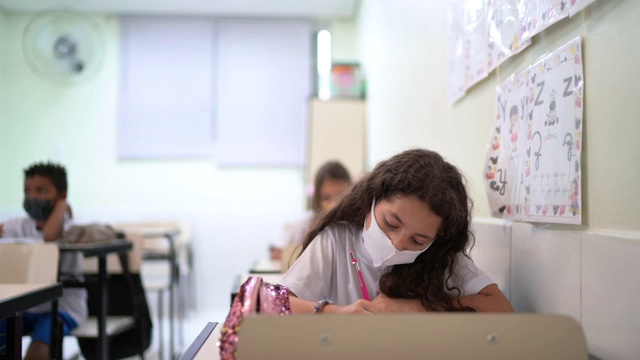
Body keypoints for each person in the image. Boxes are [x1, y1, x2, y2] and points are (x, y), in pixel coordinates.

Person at [278, 149, 514, 314]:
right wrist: (338, 313)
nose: (398, 244)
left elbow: (500, 308)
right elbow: (273, 303)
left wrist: (418, 308)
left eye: (417, 240)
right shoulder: (337, 240)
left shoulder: (439, 256)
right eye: (391, 223)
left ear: (436, 239)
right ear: (372, 199)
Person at [0, 162, 87, 360]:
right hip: (24, 307)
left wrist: (62, 207)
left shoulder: (70, 228)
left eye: (41, 191)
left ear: (61, 195)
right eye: (27, 191)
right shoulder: (18, 225)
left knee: (39, 349)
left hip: (64, 308)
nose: (32, 197)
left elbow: (49, 236)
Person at [270, 161, 351, 260]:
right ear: (317, 198)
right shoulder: (303, 223)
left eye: (339, 197)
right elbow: (276, 253)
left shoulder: (356, 227)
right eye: (327, 198)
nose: (334, 204)